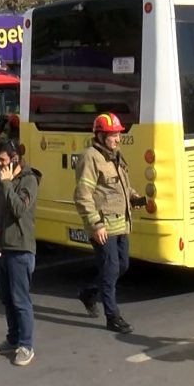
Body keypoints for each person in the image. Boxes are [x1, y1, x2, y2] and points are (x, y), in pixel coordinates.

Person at [73, 112, 145, 335]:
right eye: (113, 135)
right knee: (111, 268)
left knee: (122, 266)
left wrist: (134, 197)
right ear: (101, 135)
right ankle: (112, 317)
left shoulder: (115, 155)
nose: (117, 138)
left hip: (121, 223)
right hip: (103, 226)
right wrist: (95, 224)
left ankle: (89, 293)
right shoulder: (90, 157)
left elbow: (121, 185)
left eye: (118, 134)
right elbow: (82, 195)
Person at [0, 140, 41, 366]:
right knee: (6, 298)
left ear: (15, 159)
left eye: (2, 160)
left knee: (20, 300)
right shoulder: (2, 180)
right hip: (0, 249)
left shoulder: (28, 180)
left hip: (19, 249)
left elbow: (19, 209)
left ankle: (26, 345)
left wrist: (8, 184)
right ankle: (13, 338)